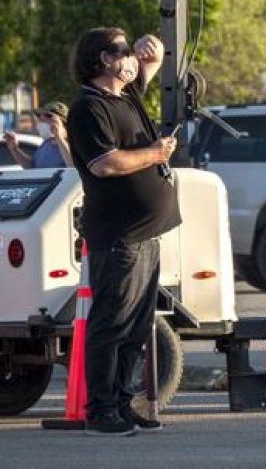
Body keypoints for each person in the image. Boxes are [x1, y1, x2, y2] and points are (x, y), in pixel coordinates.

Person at [67, 27, 181, 436]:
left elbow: (146, 68)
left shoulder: (125, 96)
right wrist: (155, 153)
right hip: (118, 236)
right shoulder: (88, 108)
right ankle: (100, 411)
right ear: (102, 59)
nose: (129, 55)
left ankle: (123, 402)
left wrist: (154, 53)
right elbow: (105, 163)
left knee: (137, 326)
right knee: (111, 325)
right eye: (121, 49)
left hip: (146, 234)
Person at [3, 101, 73, 168]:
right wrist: (15, 149)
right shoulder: (46, 144)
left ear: (61, 123)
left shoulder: (73, 143)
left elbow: (72, 166)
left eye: (45, 121)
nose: (41, 124)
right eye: (41, 120)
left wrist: (59, 136)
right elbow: (31, 166)